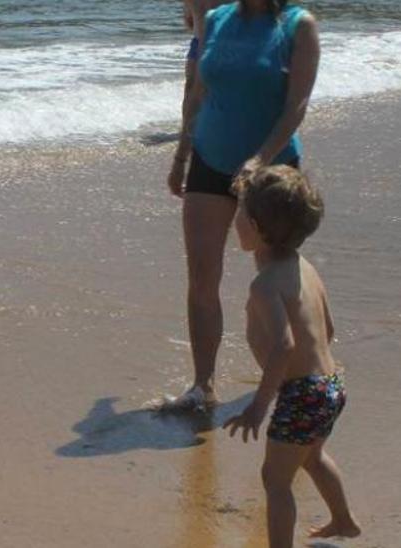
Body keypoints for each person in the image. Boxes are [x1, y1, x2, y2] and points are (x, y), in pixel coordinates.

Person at [164, 0, 321, 410]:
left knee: (277, 276)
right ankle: (203, 386)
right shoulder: (215, 19)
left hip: (271, 169)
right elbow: (197, 93)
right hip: (210, 159)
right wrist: (182, 155)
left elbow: (296, 105)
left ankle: (302, 374)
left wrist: (261, 158)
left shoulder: (297, 25)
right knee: (201, 275)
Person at [224, 166, 360, 547]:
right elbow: (328, 329)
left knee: (275, 479)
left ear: (252, 225)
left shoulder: (265, 285)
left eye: (238, 213)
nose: (233, 219)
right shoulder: (305, 267)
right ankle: (344, 521)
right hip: (331, 383)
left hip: (302, 393)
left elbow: (285, 347)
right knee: (312, 457)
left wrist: (258, 404)